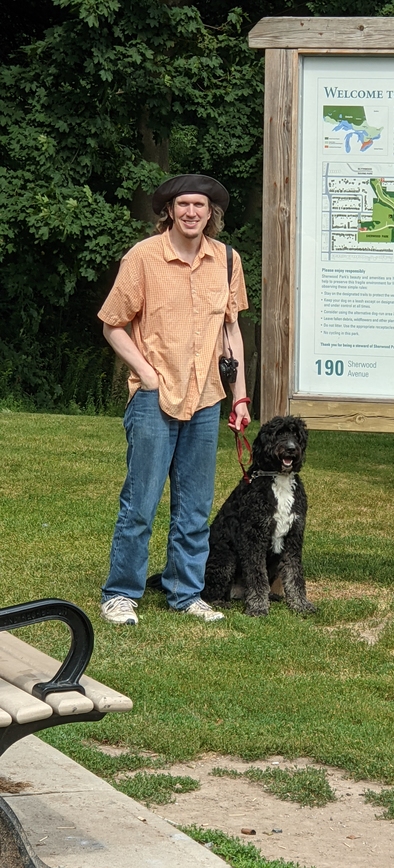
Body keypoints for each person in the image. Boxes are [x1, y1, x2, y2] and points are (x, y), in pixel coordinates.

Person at [98, 174, 250, 625]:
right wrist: (145, 373)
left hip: (207, 397)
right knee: (140, 503)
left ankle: (186, 593)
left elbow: (231, 330)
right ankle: (121, 594)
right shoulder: (143, 258)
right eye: (182, 204)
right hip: (154, 398)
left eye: (199, 206)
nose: (191, 213)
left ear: (211, 214)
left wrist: (239, 397)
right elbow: (112, 324)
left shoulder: (226, 260)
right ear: (169, 210)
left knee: (195, 507)